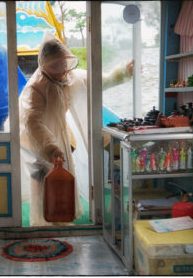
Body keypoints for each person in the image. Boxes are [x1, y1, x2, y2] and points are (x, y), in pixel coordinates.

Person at [19, 32, 133, 226]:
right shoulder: (36, 87)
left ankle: (61, 215)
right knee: (40, 180)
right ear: (43, 64)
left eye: (63, 64)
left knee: (60, 176)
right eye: (54, 66)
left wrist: (124, 71)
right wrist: (50, 148)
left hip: (57, 133)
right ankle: (41, 222)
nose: (61, 70)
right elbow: (33, 122)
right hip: (33, 138)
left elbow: (99, 81)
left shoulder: (70, 77)